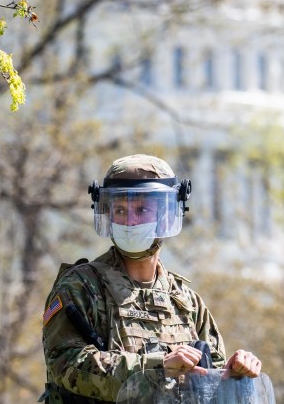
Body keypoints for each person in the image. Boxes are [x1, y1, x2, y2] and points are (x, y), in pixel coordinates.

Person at [40, 154, 262, 403]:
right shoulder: (80, 286)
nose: (130, 221)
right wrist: (156, 368)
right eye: (121, 210)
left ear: (167, 215)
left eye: (142, 210)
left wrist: (234, 373)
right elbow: (64, 363)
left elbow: (210, 386)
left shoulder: (186, 302)